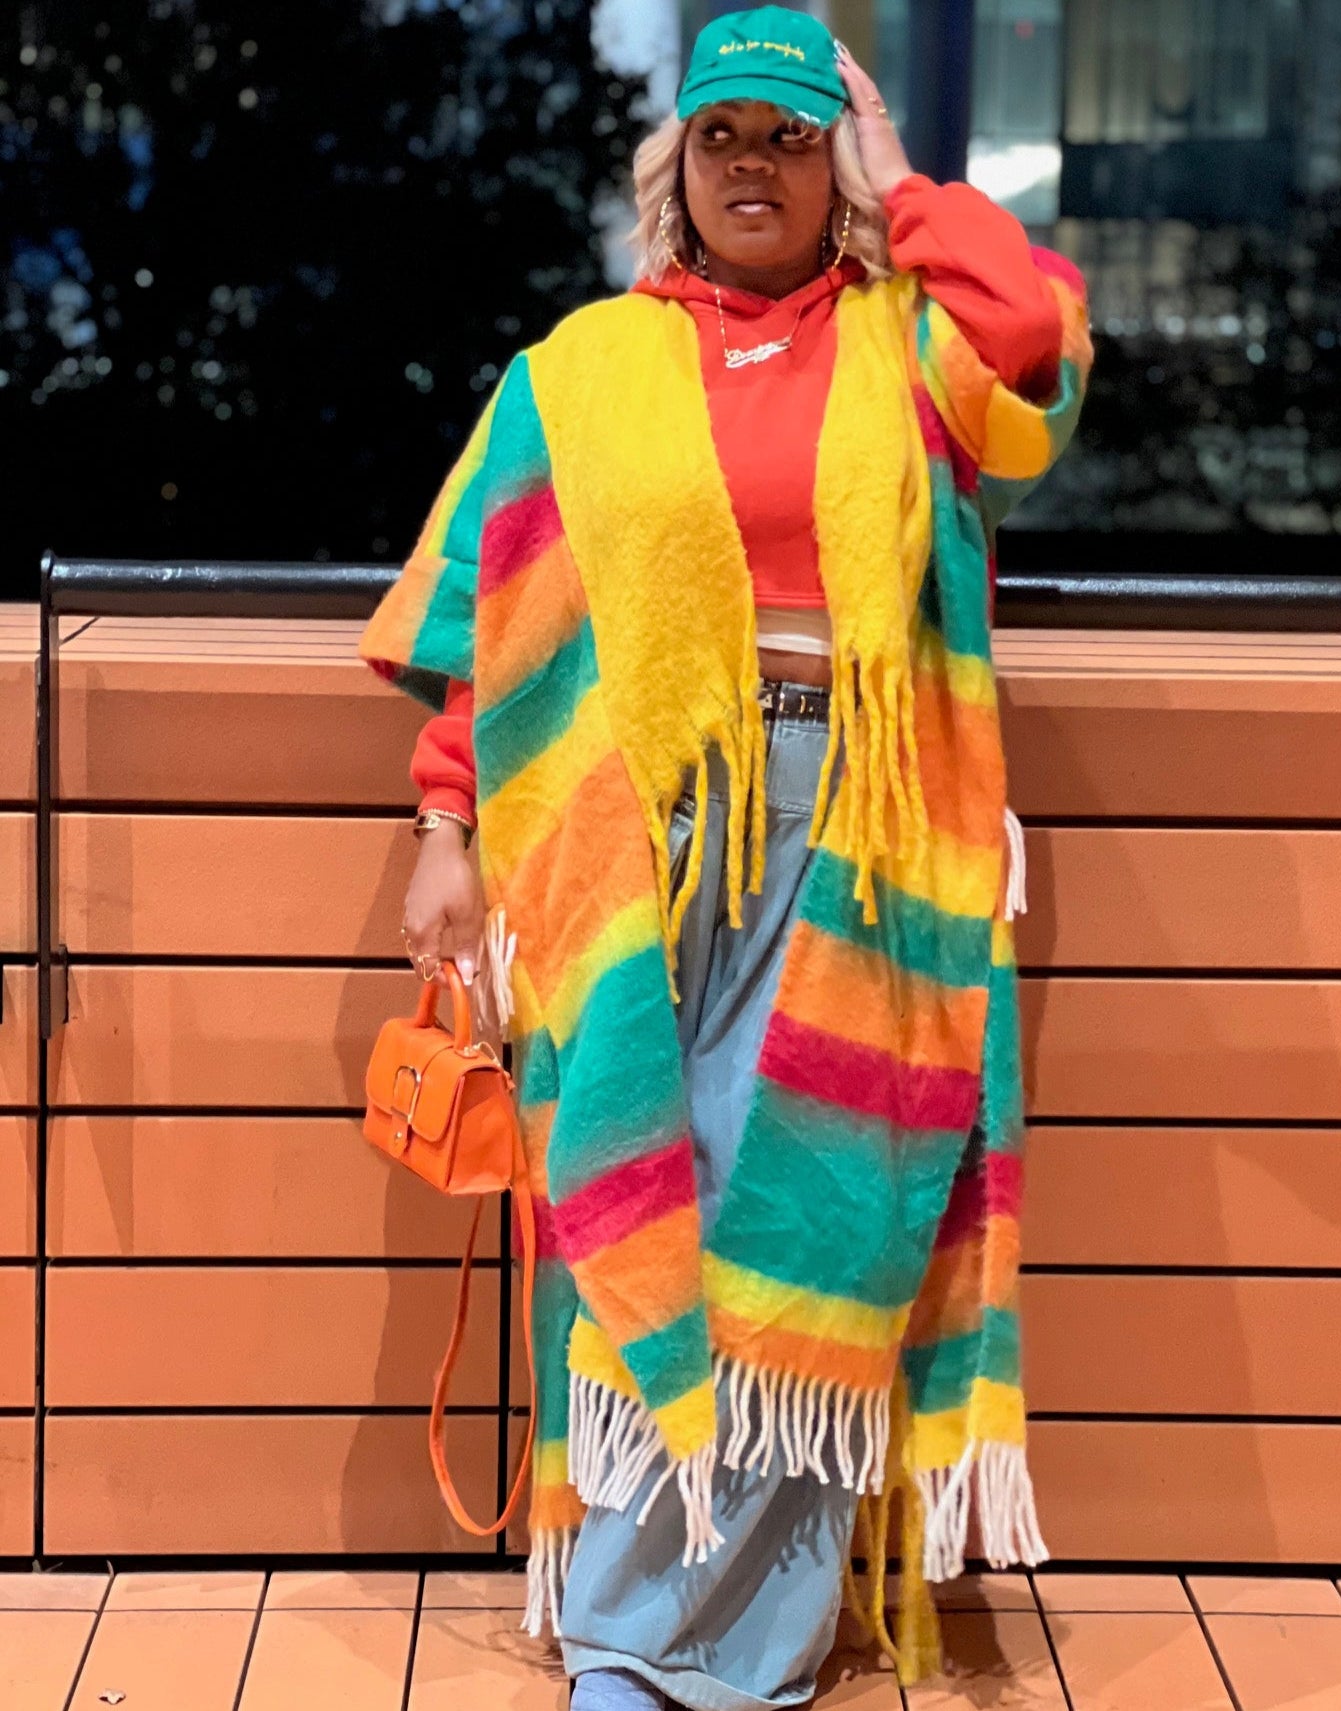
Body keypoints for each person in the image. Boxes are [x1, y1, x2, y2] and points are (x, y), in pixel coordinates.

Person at [361, 8, 1091, 1708]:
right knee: (642, 1189)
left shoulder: (914, 350)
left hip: (862, 832)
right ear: (672, 169)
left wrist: (906, 181)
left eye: (786, 134)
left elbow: (1039, 332)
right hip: (629, 833)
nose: (751, 164)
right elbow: (507, 627)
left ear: (827, 165)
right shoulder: (583, 368)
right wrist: (445, 825)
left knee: (817, 1227)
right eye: (721, 136)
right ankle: (630, 1634)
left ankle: (752, 1653)